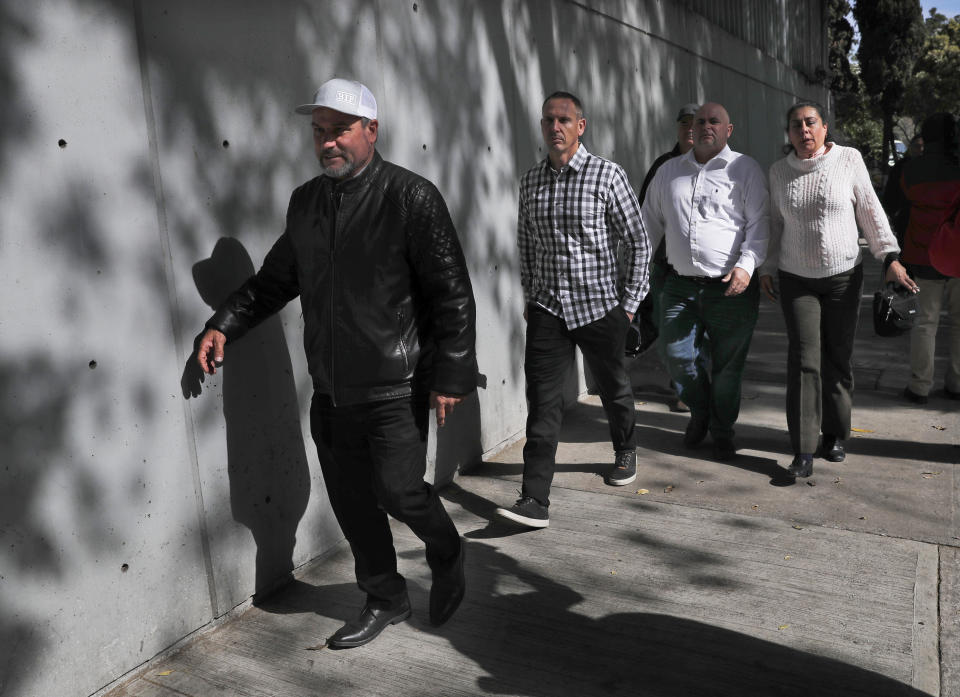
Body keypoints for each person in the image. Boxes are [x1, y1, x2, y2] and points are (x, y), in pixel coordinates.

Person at [195, 78, 477, 648]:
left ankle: (448, 552)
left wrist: (451, 374)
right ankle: (385, 597)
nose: (327, 143)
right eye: (319, 132)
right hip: (331, 388)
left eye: (340, 130)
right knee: (351, 502)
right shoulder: (306, 203)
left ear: (371, 131)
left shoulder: (411, 197)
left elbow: (452, 293)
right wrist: (222, 323)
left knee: (399, 492)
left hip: (396, 382)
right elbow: (275, 282)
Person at [496, 90, 650, 528]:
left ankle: (625, 449)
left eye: (564, 119)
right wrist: (530, 295)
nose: (555, 127)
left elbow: (639, 241)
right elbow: (526, 244)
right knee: (542, 404)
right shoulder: (530, 182)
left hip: (601, 307)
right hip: (548, 309)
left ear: (580, 126)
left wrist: (630, 305)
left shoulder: (607, 176)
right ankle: (534, 499)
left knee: (613, 386)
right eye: (548, 120)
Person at [759, 101, 914, 479]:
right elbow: (774, 224)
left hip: (844, 277)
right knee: (804, 359)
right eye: (796, 125)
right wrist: (766, 265)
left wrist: (889, 256)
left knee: (838, 357)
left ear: (825, 128)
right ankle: (804, 448)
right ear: (789, 133)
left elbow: (870, 210)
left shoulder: (848, 160)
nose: (804, 130)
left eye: (810, 123)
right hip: (797, 279)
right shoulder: (779, 172)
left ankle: (836, 433)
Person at [641, 102, 768, 461]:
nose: (706, 126)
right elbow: (648, 223)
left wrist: (746, 266)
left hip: (732, 288)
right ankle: (700, 411)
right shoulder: (668, 172)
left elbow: (760, 224)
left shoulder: (745, 169)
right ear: (690, 129)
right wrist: (636, 272)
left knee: (728, 369)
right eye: (700, 121)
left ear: (728, 130)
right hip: (679, 285)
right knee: (675, 355)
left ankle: (722, 428)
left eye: (715, 121)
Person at [632, 103, 700, 412]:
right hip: (667, 267)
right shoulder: (663, 166)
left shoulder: (720, 164)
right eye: (684, 122)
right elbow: (643, 214)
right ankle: (682, 384)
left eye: (695, 122)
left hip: (706, 270)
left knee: (699, 331)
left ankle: (690, 388)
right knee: (671, 332)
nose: (690, 128)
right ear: (678, 128)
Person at [895, 113, 960, 404]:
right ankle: (957, 383)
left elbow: (895, 205)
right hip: (958, 254)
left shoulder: (910, 169)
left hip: (923, 253)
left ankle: (920, 386)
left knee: (925, 322)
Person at [882, 133, 923, 247]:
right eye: (917, 146)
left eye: (923, 146)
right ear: (910, 148)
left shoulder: (932, 168)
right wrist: (895, 214)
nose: (921, 150)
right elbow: (890, 193)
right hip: (904, 221)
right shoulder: (901, 167)